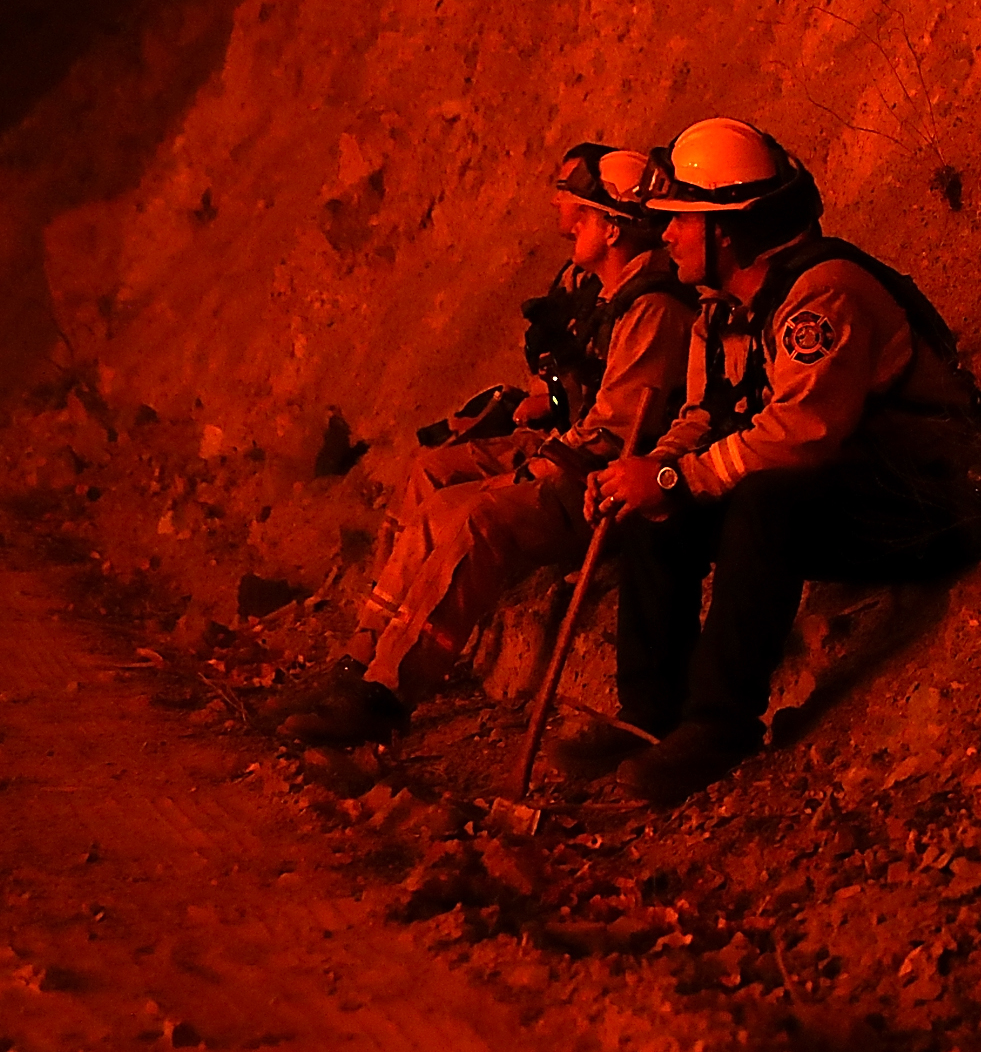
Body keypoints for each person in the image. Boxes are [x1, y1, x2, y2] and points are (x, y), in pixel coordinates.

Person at [588, 117, 981, 807]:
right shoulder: (723, 309)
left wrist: (678, 477)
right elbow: (707, 415)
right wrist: (650, 472)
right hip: (858, 492)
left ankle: (720, 722)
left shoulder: (823, 295)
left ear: (727, 230)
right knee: (661, 510)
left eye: (681, 220)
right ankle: (651, 715)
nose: (669, 234)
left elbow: (802, 433)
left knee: (764, 501)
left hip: (933, 497)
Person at [281, 145, 695, 745]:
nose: (567, 219)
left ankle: (387, 691)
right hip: (568, 443)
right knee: (430, 473)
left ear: (613, 227)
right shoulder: (602, 291)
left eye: (581, 212)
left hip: (600, 476)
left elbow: (613, 430)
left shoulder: (654, 308)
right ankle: (362, 656)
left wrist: (525, 469)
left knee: (473, 516)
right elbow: (581, 395)